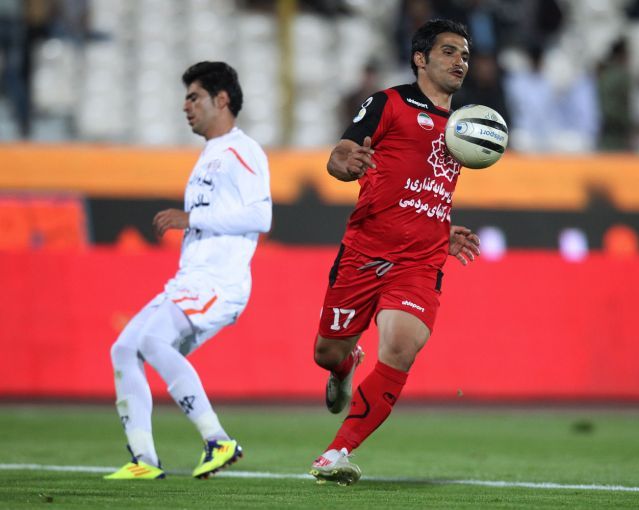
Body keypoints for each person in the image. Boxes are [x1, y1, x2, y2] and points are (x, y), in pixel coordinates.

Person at [308, 19, 481, 486]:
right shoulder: (389, 103)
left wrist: (438, 228)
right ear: (420, 59)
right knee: (327, 352)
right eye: (449, 52)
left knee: (402, 348)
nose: (460, 62)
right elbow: (340, 154)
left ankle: (335, 453)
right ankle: (345, 365)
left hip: (421, 261)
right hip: (364, 252)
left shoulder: (465, 127)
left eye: (465, 55)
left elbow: (428, 184)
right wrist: (345, 164)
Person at [104, 61, 272, 480]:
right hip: (191, 278)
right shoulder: (209, 156)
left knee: (153, 340)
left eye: (194, 97)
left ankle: (218, 440)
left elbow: (261, 216)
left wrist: (192, 218)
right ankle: (144, 459)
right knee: (125, 349)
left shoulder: (242, 150)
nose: (185, 106)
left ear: (222, 99)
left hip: (220, 279)